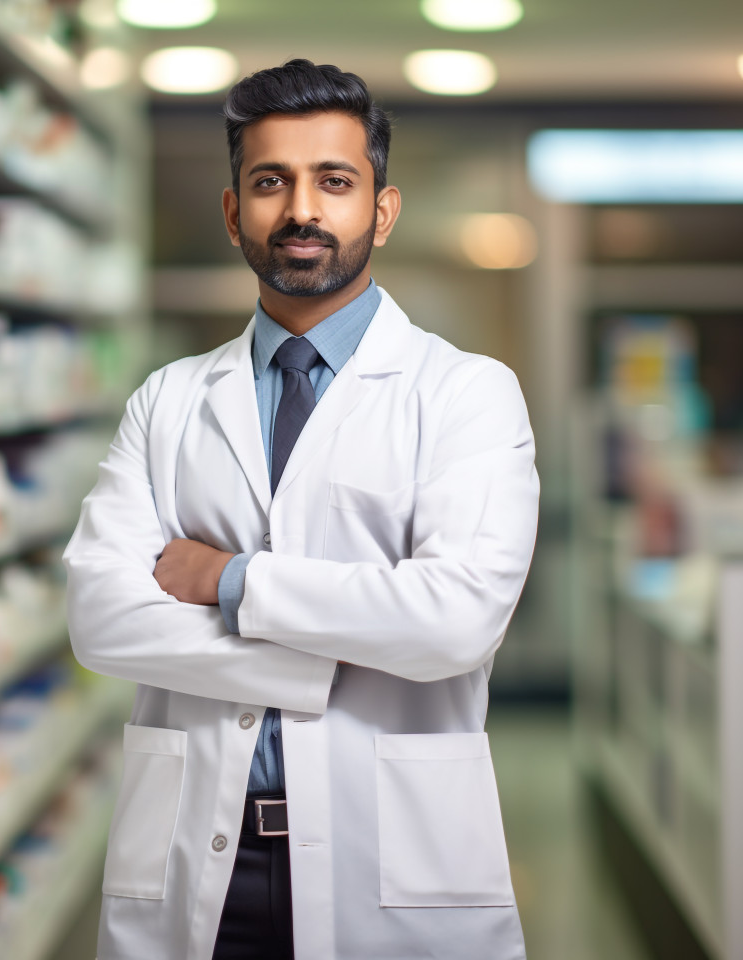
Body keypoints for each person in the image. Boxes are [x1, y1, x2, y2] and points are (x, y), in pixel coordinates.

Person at [63, 58, 539, 960]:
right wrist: (337, 651)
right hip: (199, 857)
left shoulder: (465, 394)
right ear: (233, 211)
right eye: (271, 181)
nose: (302, 210)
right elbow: (102, 618)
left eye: (335, 181)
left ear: (383, 211)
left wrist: (231, 580)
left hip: (392, 859)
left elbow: (456, 619)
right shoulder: (168, 400)